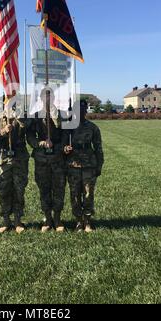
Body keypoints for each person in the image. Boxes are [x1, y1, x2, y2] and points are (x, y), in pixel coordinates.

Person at [27, 88, 66, 233]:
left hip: (57, 158)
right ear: (41, 98)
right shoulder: (36, 116)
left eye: (50, 96)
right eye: (45, 96)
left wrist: (59, 146)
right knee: (44, 188)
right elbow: (30, 136)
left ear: (54, 98)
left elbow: (63, 130)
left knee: (59, 188)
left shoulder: (60, 114)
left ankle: (57, 218)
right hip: (42, 158)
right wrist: (40, 143)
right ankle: (47, 219)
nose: (47, 99)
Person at [64, 100, 104, 233]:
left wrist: (99, 165)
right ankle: (78, 221)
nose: (81, 112)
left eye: (83, 110)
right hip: (73, 165)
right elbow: (62, 146)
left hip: (88, 165)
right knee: (74, 195)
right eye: (78, 110)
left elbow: (98, 148)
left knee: (88, 194)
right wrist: (65, 149)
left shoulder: (93, 128)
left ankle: (87, 221)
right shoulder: (68, 127)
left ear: (86, 111)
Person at [0, 107, 30, 234]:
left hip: (20, 156)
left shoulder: (22, 115)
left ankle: (18, 220)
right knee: (4, 189)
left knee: (19, 188)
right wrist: (2, 131)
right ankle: (6, 220)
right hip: (3, 157)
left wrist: (19, 118)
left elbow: (29, 128)